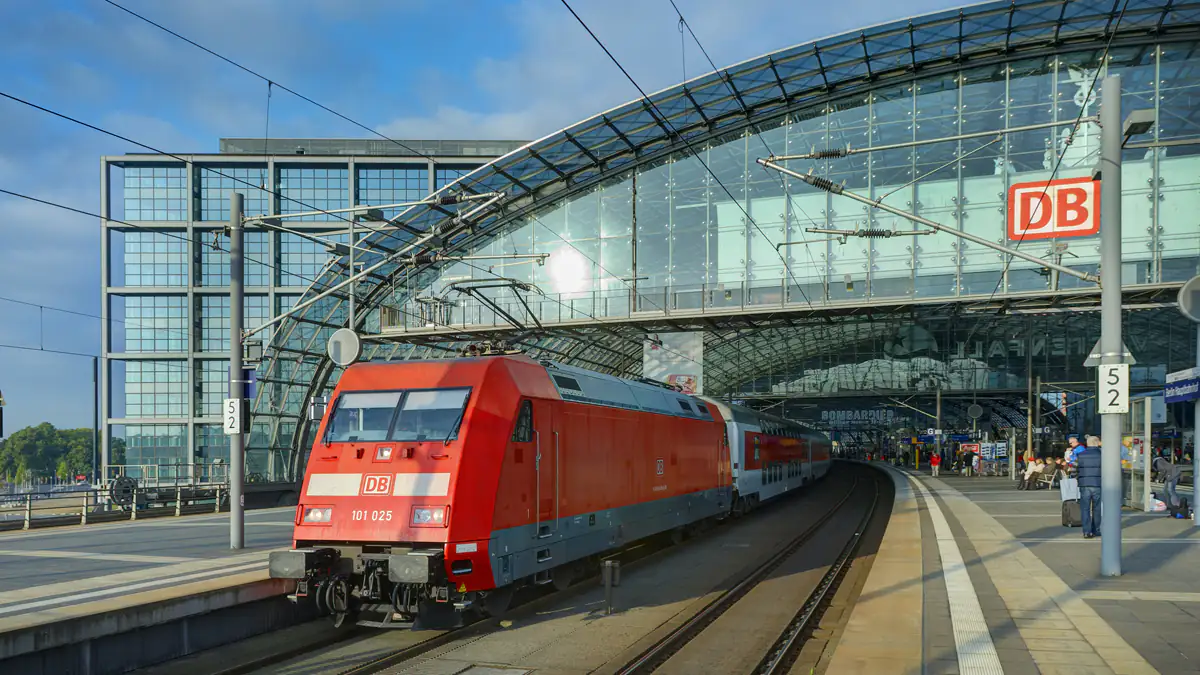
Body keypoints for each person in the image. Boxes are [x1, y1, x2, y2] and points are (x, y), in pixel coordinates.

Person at [1076, 435, 1103, 539]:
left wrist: (1078, 478)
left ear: (1087, 443)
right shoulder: (1102, 454)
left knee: (1085, 508)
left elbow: (1074, 469)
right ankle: (1096, 530)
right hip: (1098, 483)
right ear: (1097, 443)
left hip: (1084, 484)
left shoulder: (1080, 455)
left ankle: (1086, 531)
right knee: (1096, 508)